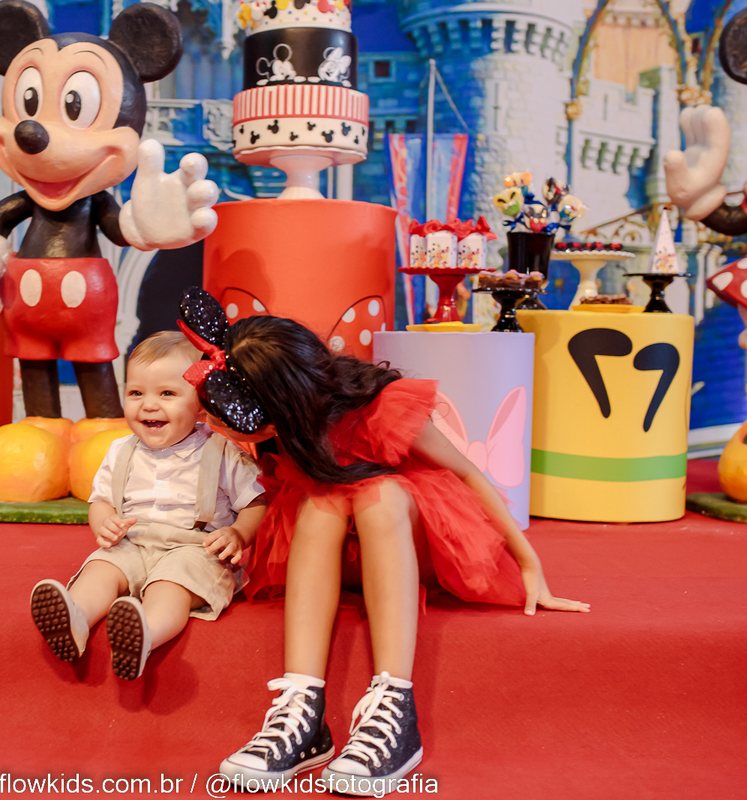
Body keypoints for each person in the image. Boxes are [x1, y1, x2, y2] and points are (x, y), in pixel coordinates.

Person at [175, 299, 589, 796]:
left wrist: (527, 560)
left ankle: (395, 703)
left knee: (380, 493)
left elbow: (467, 474)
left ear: (290, 402)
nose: (228, 424)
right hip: (332, 552)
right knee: (322, 500)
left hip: (403, 542)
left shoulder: (379, 406)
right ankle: (302, 709)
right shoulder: (278, 428)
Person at [30, 331, 267, 680]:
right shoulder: (120, 450)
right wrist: (104, 523)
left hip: (195, 549)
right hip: (134, 541)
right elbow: (101, 501)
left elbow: (256, 502)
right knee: (102, 568)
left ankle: (145, 635)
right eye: (136, 393)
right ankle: (75, 620)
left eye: (167, 394)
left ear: (202, 405)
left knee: (170, 586)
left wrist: (238, 533)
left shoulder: (222, 451)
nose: (148, 405)